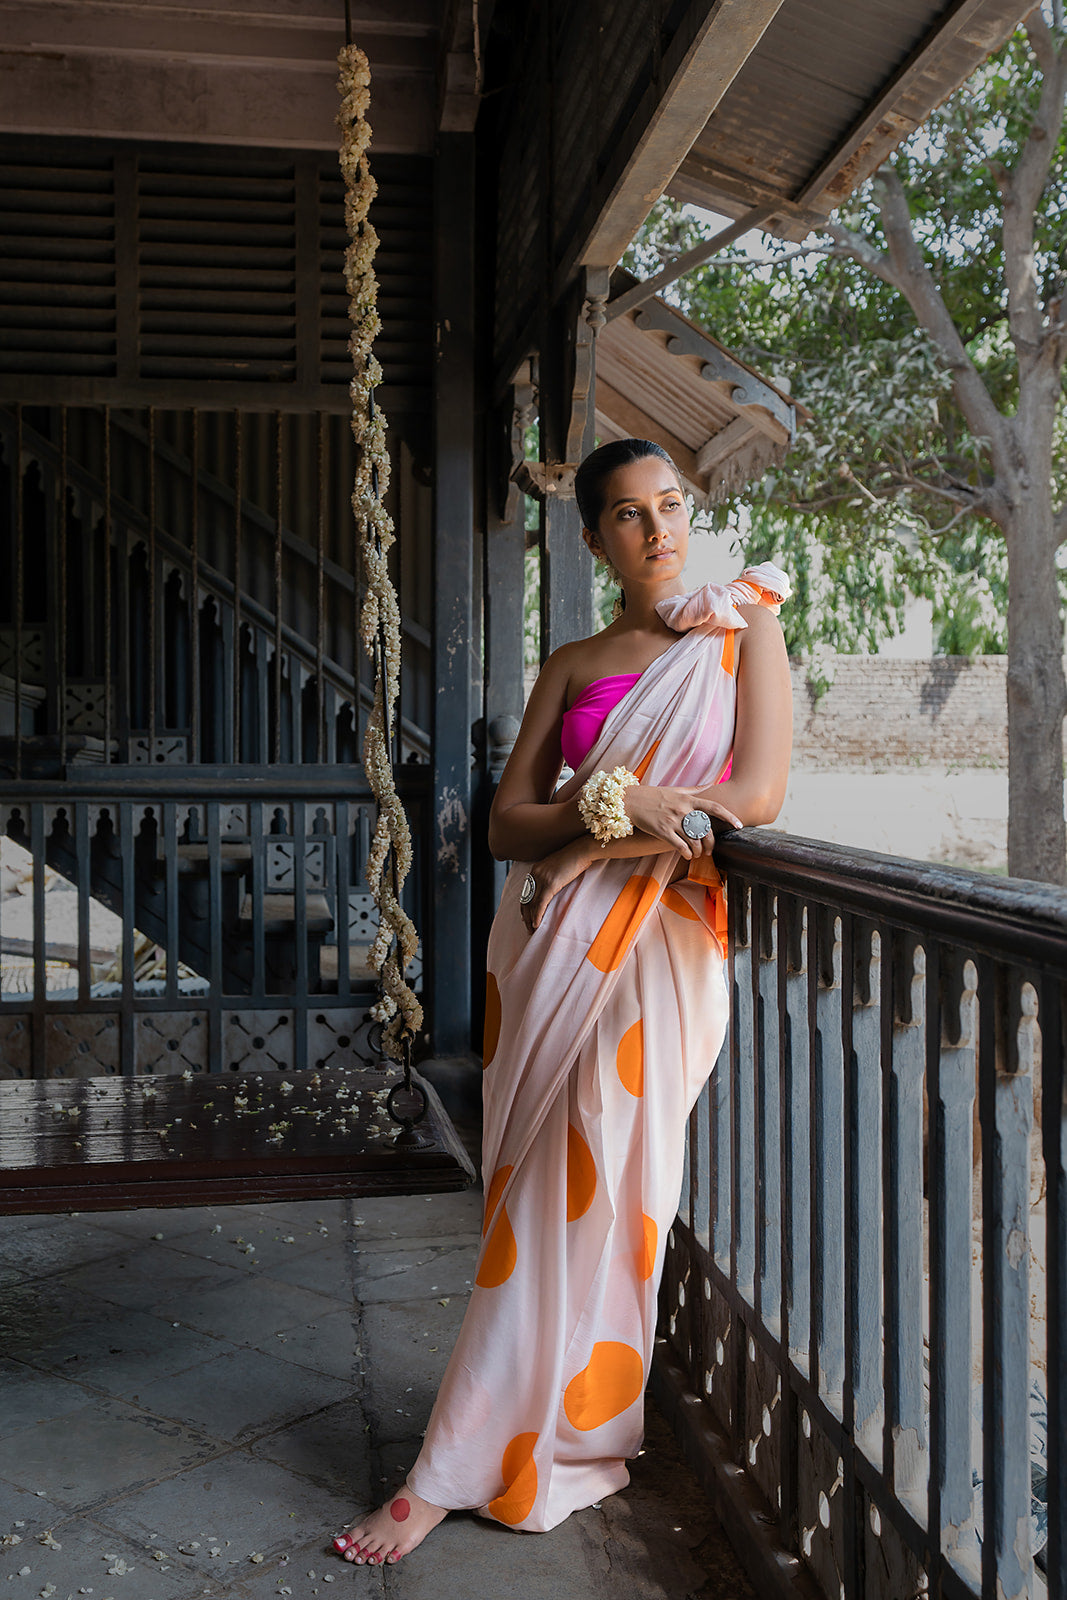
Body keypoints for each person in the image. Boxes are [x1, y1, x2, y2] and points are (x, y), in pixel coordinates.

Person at [333, 437, 793, 1565]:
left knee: (603, 1189)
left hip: (657, 953)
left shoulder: (745, 626)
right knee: (534, 1189)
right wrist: (609, 813)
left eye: (670, 504)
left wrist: (595, 845)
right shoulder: (577, 662)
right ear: (591, 539)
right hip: (541, 958)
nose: (658, 528)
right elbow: (505, 826)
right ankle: (505, 1437)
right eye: (629, 515)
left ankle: (484, 1457)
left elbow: (752, 796)